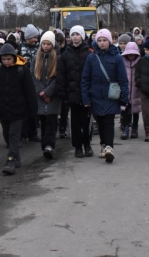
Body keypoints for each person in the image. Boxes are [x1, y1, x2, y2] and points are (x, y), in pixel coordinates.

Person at [81, 28, 129, 164]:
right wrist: (86, 98)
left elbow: (123, 80)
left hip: (110, 96)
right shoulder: (91, 58)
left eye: (104, 40)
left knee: (108, 121)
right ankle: (104, 145)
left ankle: (109, 147)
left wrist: (124, 99)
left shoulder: (117, 58)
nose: (102, 43)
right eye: (99, 40)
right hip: (95, 96)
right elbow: (85, 79)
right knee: (100, 122)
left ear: (109, 41)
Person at [0, 43, 37, 175]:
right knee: (7, 135)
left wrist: (33, 112)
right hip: (3, 110)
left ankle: (11, 160)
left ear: (14, 58)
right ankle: (17, 158)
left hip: (18, 110)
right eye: (4, 59)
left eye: (9, 59)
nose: (6, 62)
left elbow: (30, 92)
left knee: (14, 136)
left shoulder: (22, 70)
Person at [58, 26, 94, 158]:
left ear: (82, 36)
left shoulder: (89, 54)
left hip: (86, 94)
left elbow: (93, 75)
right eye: (72, 34)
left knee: (86, 121)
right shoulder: (65, 55)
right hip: (71, 94)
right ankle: (77, 147)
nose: (75, 37)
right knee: (75, 122)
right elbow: (61, 75)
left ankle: (87, 144)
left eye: (77, 34)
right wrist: (63, 94)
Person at [34, 31, 62, 159]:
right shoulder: (36, 58)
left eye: (48, 44)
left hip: (53, 95)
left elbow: (58, 78)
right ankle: (44, 144)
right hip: (40, 95)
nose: (45, 46)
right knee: (43, 120)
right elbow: (33, 76)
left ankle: (49, 145)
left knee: (51, 119)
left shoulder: (57, 58)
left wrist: (48, 91)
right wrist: (41, 91)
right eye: (43, 44)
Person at [20, 24, 41, 143]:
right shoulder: (20, 48)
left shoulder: (39, 48)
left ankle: (33, 133)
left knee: (33, 109)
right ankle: (23, 134)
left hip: (35, 81)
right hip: (23, 82)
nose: (36, 40)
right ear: (28, 37)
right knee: (23, 110)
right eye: (34, 37)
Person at [119, 42, 142, 140]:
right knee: (125, 111)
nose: (131, 56)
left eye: (133, 54)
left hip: (136, 90)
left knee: (135, 111)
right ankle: (126, 128)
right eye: (129, 54)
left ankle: (135, 128)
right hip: (125, 90)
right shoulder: (122, 62)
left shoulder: (140, 63)